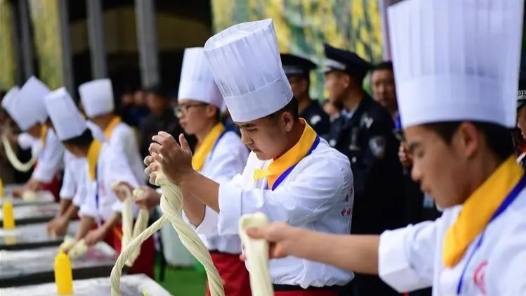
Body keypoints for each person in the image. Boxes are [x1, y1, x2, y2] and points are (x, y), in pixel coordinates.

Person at [245, 0, 526, 295]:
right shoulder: (467, 220)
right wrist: (293, 241)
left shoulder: (517, 244)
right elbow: (396, 251)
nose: (415, 172)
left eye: (418, 152)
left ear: (467, 140)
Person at [145, 19, 354, 296]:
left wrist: (188, 176)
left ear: (287, 120)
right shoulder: (260, 160)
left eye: (251, 128)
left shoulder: (330, 166)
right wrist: (180, 181)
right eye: (241, 128)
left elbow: (271, 212)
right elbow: (214, 218)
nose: (245, 139)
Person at [136, 47, 251, 296]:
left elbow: (217, 205)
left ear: (211, 109)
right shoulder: (204, 146)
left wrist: (175, 180)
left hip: (231, 258)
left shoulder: (228, 148)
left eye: (188, 107)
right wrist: (165, 184)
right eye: (180, 108)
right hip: (216, 258)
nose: (182, 115)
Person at [44, 87, 155, 277]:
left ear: (70, 147)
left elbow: (128, 195)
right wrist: (76, 241)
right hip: (116, 227)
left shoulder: (109, 156)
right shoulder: (93, 160)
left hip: (132, 227)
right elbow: (89, 204)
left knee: (136, 280)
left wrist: (103, 229)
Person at [323, 43, 404, 296]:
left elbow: (370, 180)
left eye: (330, 78)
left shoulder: (375, 119)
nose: (327, 86)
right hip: (348, 227)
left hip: (372, 227)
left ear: (346, 80)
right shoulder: (341, 120)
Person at [1, 77, 64, 198]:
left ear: (36, 124)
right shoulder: (43, 134)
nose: (30, 134)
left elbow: (44, 172)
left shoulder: (53, 136)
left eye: (29, 130)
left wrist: (25, 189)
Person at [79, 79, 145, 183]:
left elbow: (120, 169)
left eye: (95, 119)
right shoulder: (104, 134)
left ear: (102, 116)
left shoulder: (120, 132)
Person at [280, 53, 331, 138]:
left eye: (289, 83)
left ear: (303, 85)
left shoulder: (318, 121)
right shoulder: (290, 116)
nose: (283, 89)